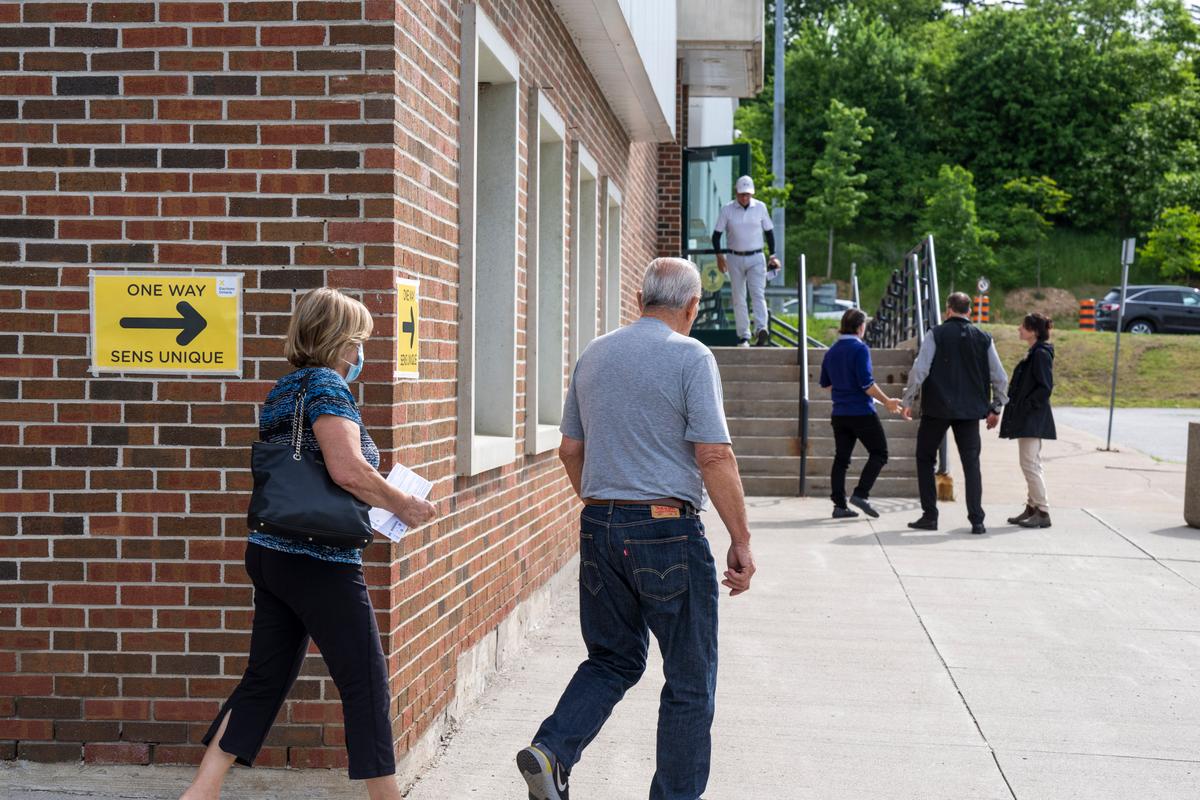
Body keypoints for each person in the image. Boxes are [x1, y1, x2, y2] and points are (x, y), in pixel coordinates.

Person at [180, 288, 437, 800]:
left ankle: (201, 793)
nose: (361, 353)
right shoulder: (325, 385)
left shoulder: (285, 388)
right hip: (319, 559)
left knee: (265, 678)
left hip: (273, 550)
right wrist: (403, 504)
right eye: (358, 341)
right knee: (365, 681)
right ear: (339, 341)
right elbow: (347, 470)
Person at [516, 257, 756, 800]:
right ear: (691, 306)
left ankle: (552, 751)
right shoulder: (692, 356)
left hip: (599, 523)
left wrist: (605, 506)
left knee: (612, 658)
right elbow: (714, 456)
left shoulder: (595, 354)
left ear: (640, 299)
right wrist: (740, 540)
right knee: (690, 680)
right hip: (666, 530)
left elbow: (569, 450)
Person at [901, 292, 1009, 535]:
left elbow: (920, 369)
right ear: (969, 311)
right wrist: (996, 406)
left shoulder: (936, 334)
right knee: (971, 464)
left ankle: (930, 516)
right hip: (969, 412)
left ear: (948, 310)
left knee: (925, 458)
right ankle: (977, 520)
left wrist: (908, 398)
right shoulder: (983, 338)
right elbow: (1000, 377)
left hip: (936, 409)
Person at [819, 308, 903, 519]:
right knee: (880, 453)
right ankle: (861, 494)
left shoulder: (831, 351)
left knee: (841, 459)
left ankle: (839, 505)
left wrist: (844, 389)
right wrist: (887, 401)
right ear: (860, 327)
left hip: (840, 413)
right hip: (861, 412)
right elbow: (867, 384)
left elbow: (826, 384)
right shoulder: (860, 349)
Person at [999, 313, 1056, 528]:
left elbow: (1045, 387)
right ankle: (1032, 507)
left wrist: (1026, 406)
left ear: (1033, 331)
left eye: (1023, 326)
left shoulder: (1040, 354)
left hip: (1032, 418)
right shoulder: (1035, 352)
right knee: (1031, 463)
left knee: (1029, 464)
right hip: (1029, 417)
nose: (1019, 329)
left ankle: (1043, 511)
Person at [712, 175, 781, 347]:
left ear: (752, 194)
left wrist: (773, 256)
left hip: (756, 257)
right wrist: (719, 257)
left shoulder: (760, 207)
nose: (744, 197)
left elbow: (769, 232)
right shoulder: (727, 210)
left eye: (747, 194)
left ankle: (761, 328)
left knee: (757, 293)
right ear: (736, 192)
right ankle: (744, 336)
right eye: (742, 194)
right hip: (734, 258)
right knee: (738, 297)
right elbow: (716, 236)